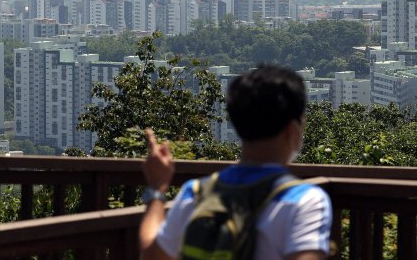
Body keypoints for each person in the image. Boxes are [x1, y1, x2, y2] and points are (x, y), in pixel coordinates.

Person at [139, 65, 332, 260]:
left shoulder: (195, 193)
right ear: (292, 129)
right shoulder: (304, 200)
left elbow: (152, 253)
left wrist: (157, 188)